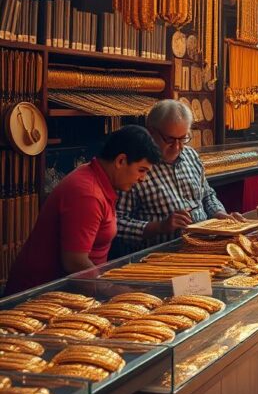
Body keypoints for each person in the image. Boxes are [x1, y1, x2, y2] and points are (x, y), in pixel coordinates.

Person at [4, 126, 161, 294]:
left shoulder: (96, 177)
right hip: (38, 296)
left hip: (70, 291)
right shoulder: (88, 194)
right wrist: (116, 291)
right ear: (121, 161)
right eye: (141, 170)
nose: (143, 179)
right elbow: (75, 262)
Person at [115, 101, 246, 254]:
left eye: (183, 139)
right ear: (151, 132)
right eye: (170, 140)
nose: (177, 147)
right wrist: (160, 227)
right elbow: (117, 223)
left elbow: (207, 195)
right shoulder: (135, 166)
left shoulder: (190, 155)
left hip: (203, 246)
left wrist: (220, 215)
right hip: (161, 257)